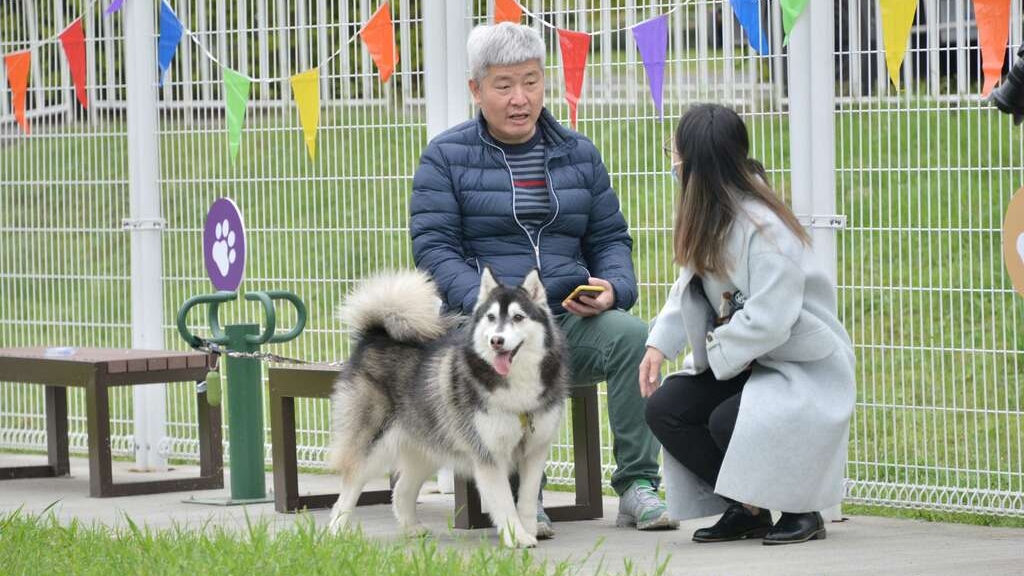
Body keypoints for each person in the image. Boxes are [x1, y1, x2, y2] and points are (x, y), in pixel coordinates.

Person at [409, 22, 676, 538]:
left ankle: (638, 486)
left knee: (632, 337)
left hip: (567, 319)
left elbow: (611, 239)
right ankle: (521, 496)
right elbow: (434, 251)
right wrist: (487, 307)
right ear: (476, 90)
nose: (519, 98)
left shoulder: (579, 153)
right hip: (488, 323)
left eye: (531, 81)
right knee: (497, 350)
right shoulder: (444, 157)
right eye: (504, 85)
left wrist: (614, 288)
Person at [640, 103, 856, 545]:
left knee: (727, 421)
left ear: (698, 165)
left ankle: (802, 510)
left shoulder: (765, 229)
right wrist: (659, 344)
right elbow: (690, 288)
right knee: (667, 409)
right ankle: (747, 506)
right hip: (748, 360)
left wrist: (719, 350)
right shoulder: (711, 215)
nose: (673, 164)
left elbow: (772, 321)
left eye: (675, 155)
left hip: (798, 364)